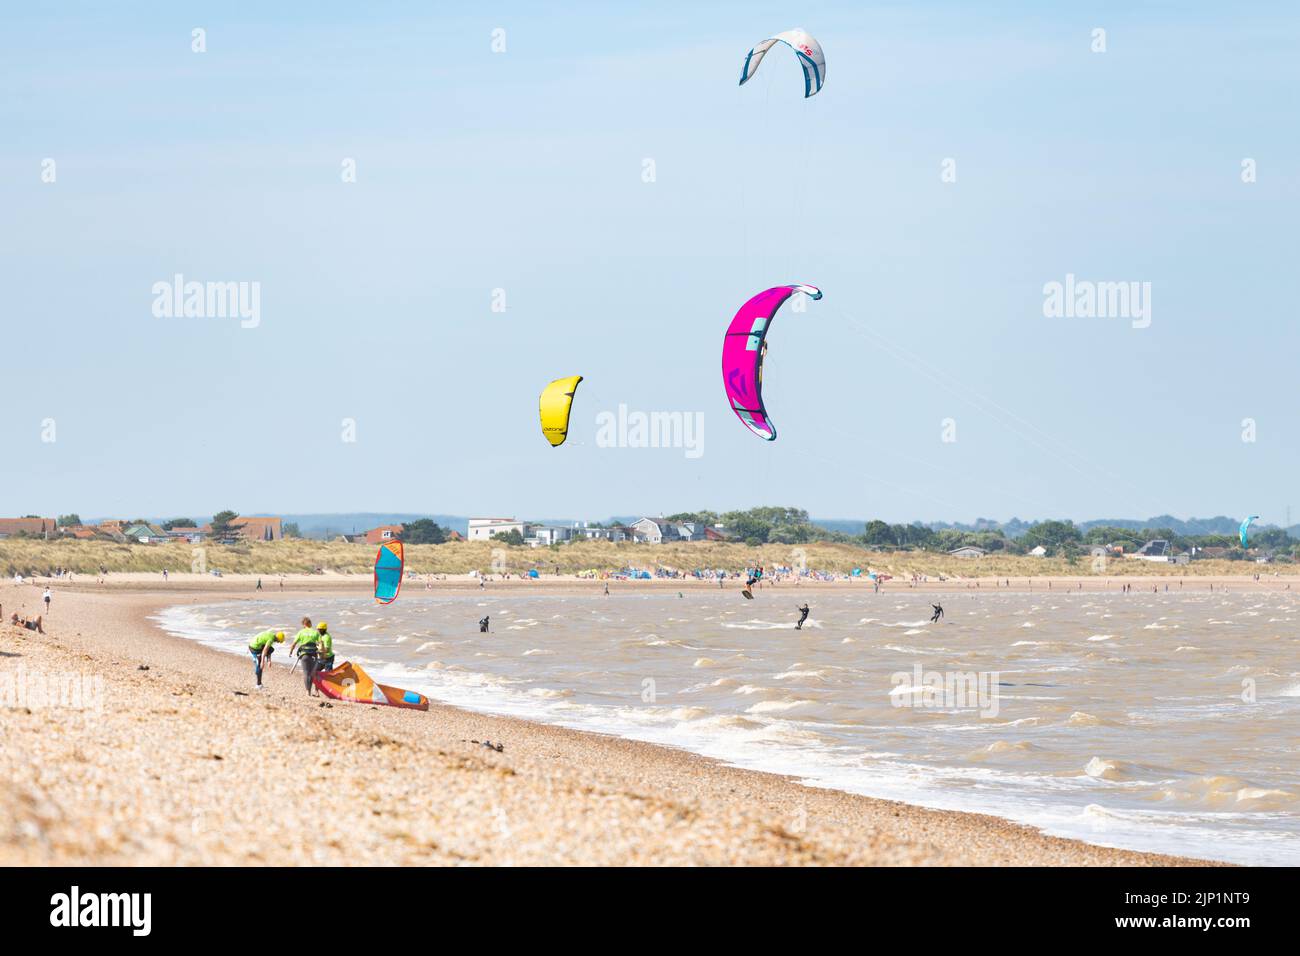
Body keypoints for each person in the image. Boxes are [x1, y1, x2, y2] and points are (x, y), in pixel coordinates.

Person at [291, 617, 322, 695]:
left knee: (306, 673)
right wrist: (322, 653)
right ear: (310, 623)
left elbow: (294, 644)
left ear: (303, 624)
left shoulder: (301, 632)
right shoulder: (315, 632)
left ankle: (307, 691)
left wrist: (290, 652)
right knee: (311, 673)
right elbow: (321, 644)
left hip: (304, 655)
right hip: (314, 656)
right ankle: (310, 690)